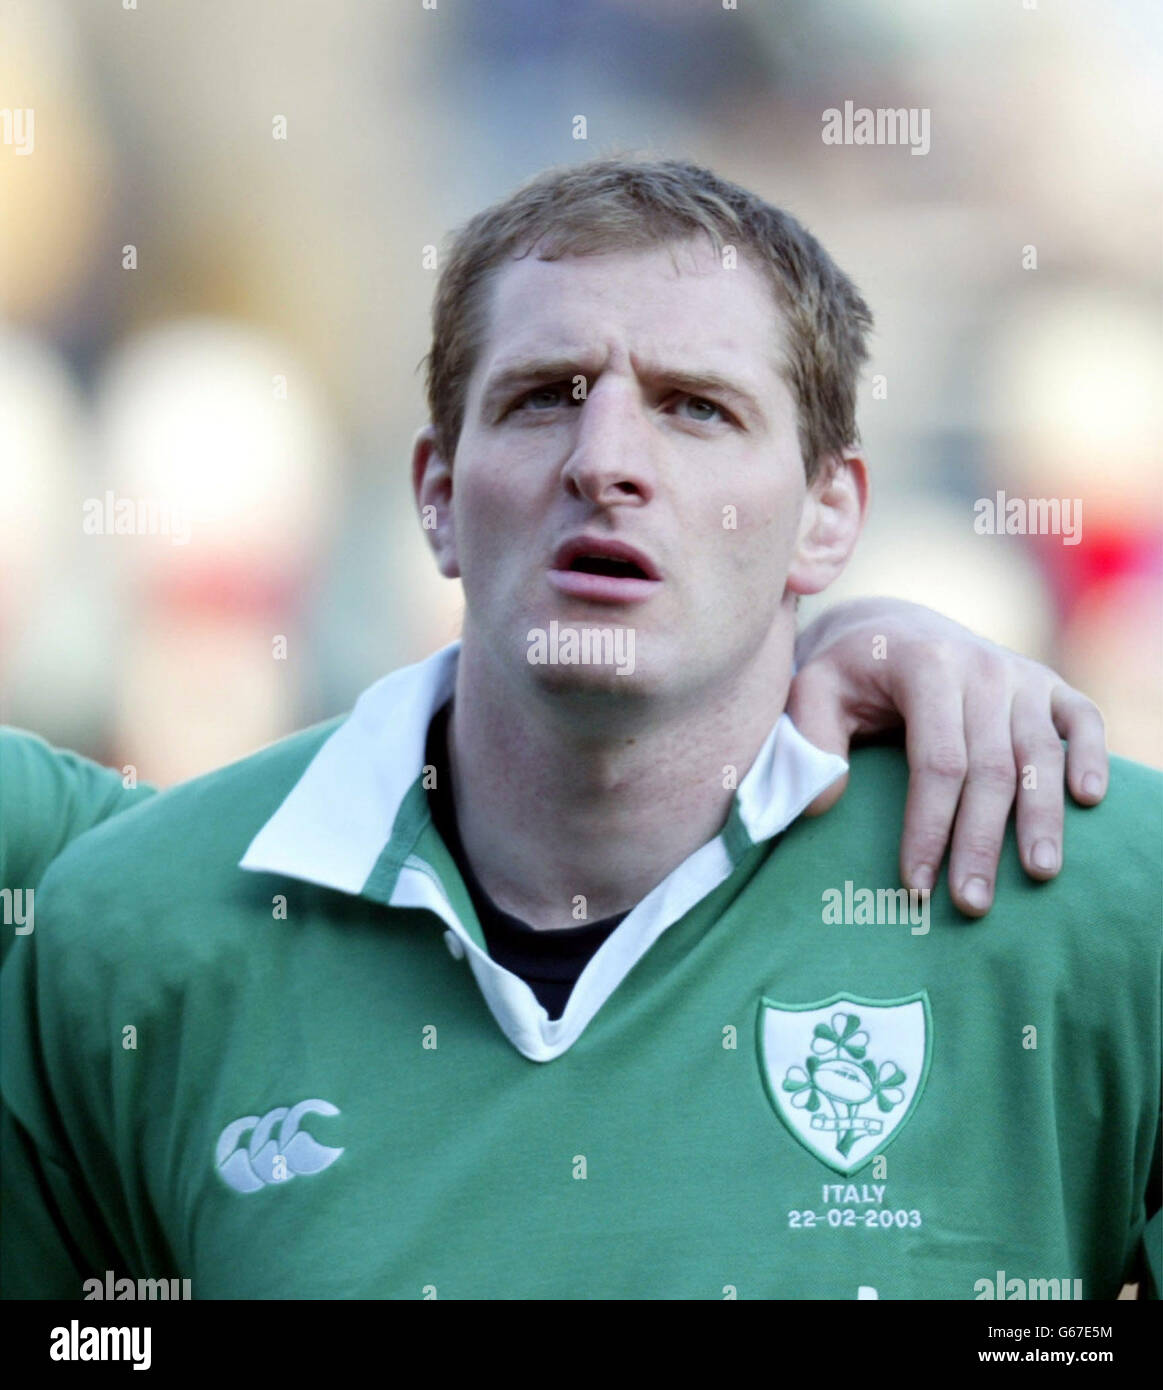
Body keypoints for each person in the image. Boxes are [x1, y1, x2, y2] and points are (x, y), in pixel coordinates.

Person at [2, 156, 1157, 1301]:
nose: (604, 463)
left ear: (828, 513)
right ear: (437, 497)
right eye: (544, 393)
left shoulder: (1097, 900)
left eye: (695, 408)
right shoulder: (128, 923)